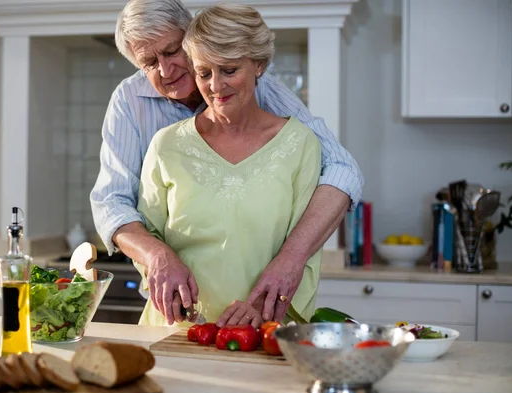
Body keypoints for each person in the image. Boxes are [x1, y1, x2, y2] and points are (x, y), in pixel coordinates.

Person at [90, 0, 364, 326]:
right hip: (178, 322)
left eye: (172, 51)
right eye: (148, 62)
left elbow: (342, 168)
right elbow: (112, 203)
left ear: (191, 40)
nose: (165, 70)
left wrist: (290, 261)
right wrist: (158, 256)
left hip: (262, 322)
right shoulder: (140, 115)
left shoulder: (279, 111)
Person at [133, 2, 322, 327]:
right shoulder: (167, 144)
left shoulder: (299, 144)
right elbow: (148, 237)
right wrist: (162, 276)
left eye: (230, 70)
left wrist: (261, 311)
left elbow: (303, 253)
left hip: (262, 331)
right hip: (174, 330)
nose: (215, 87)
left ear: (259, 64)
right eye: (204, 73)